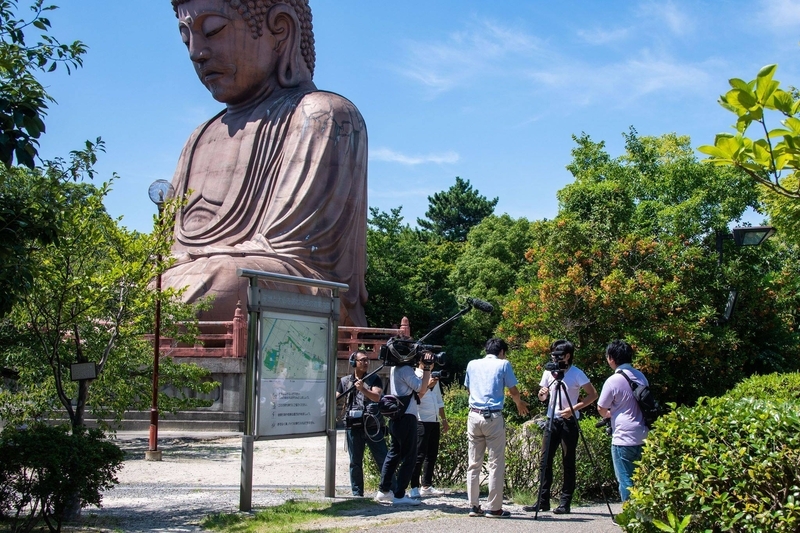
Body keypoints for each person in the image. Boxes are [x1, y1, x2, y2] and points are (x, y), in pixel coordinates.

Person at [166, 0, 368, 326]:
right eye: (186, 38)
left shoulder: (325, 115)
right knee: (115, 287)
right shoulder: (199, 137)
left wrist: (194, 268)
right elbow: (168, 248)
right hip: (193, 274)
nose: (196, 52)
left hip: (292, 284)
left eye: (213, 30)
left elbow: (297, 257)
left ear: (280, 29)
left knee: (228, 282)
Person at [523, 340, 598, 515]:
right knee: (544, 461)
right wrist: (542, 395)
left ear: (567, 356)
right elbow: (543, 396)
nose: (554, 357)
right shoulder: (550, 372)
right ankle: (542, 501)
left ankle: (565, 503)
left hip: (569, 421)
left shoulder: (577, 373)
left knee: (568, 461)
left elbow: (592, 394)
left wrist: (574, 409)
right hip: (551, 420)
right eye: (552, 354)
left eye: (557, 354)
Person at [464, 338, 529, 518]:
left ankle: (473, 506)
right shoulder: (503, 364)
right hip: (493, 416)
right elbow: (513, 390)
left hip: (474, 415)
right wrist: (519, 404)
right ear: (501, 352)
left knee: (473, 463)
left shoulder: (472, 364)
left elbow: (468, 389)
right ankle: (494, 508)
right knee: (495, 463)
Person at [375, 350, 434, 506]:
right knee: (410, 456)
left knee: (394, 454)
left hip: (396, 417)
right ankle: (400, 495)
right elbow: (421, 388)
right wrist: (427, 368)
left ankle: (384, 491)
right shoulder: (405, 369)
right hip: (407, 417)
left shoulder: (395, 368)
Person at [597, 339, 649, 502]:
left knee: (626, 479)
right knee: (642, 478)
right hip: (643, 434)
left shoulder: (613, 380)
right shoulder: (641, 376)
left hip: (623, 437)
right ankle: (644, 516)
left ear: (611, 358)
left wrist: (609, 415)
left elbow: (601, 408)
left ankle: (630, 517)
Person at [336, 351, 388, 497]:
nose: (365, 363)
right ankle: (357, 493)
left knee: (383, 459)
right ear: (354, 363)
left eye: (367, 360)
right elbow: (337, 397)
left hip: (372, 425)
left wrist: (363, 389)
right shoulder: (345, 381)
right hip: (353, 426)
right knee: (355, 462)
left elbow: (377, 397)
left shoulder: (374, 378)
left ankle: (389, 489)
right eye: (362, 360)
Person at [408, 360, 449, 498]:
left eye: (432, 362)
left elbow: (439, 400)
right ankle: (414, 487)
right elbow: (414, 399)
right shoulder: (415, 376)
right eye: (427, 362)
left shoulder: (433, 376)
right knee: (419, 455)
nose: (430, 364)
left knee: (431, 454)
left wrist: (444, 420)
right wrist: (427, 386)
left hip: (434, 420)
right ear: (419, 362)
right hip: (421, 419)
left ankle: (426, 485)